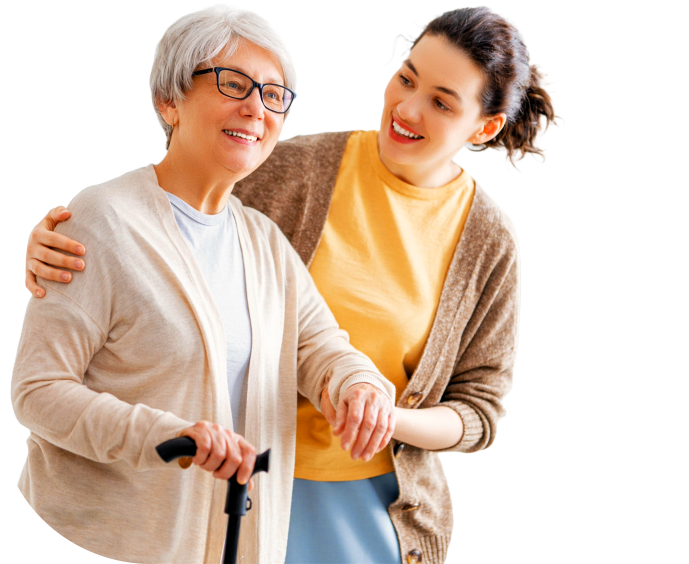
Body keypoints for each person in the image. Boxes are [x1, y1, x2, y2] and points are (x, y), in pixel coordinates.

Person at [22, 6, 563, 564]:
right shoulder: (288, 167)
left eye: (442, 102)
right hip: (204, 488)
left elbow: (337, 351)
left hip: (342, 498)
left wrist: (372, 403)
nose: (407, 108)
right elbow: (169, 203)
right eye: (406, 78)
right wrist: (59, 237)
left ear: (484, 127)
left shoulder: (487, 240)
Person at [11, 4, 397, 564]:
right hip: (100, 539)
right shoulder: (101, 220)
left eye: (273, 94)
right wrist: (170, 436)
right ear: (169, 99)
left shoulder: (262, 240)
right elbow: (38, 390)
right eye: (233, 83)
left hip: (234, 545)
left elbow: (320, 346)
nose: (255, 108)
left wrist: (358, 386)